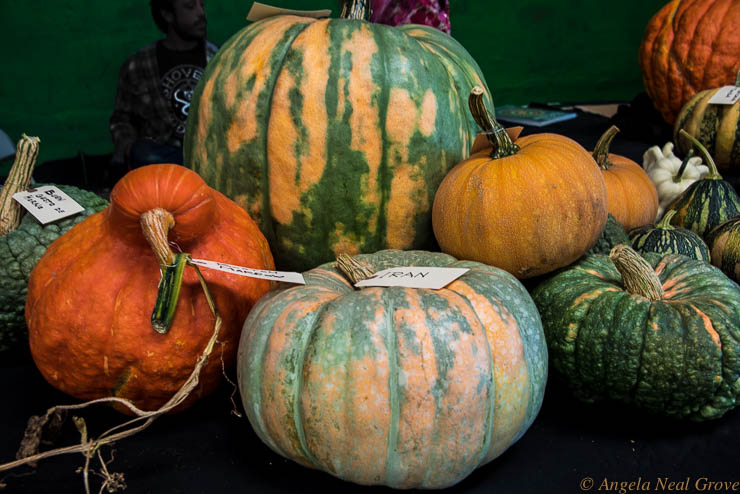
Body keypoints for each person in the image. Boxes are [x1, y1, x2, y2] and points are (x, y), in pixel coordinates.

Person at [110, 0, 217, 170]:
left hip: (209, 152)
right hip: (164, 157)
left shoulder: (218, 57)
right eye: (190, 7)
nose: (201, 13)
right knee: (145, 154)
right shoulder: (138, 65)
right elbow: (121, 120)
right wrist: (129, 147)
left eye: (202, 5)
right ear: (167, 15)